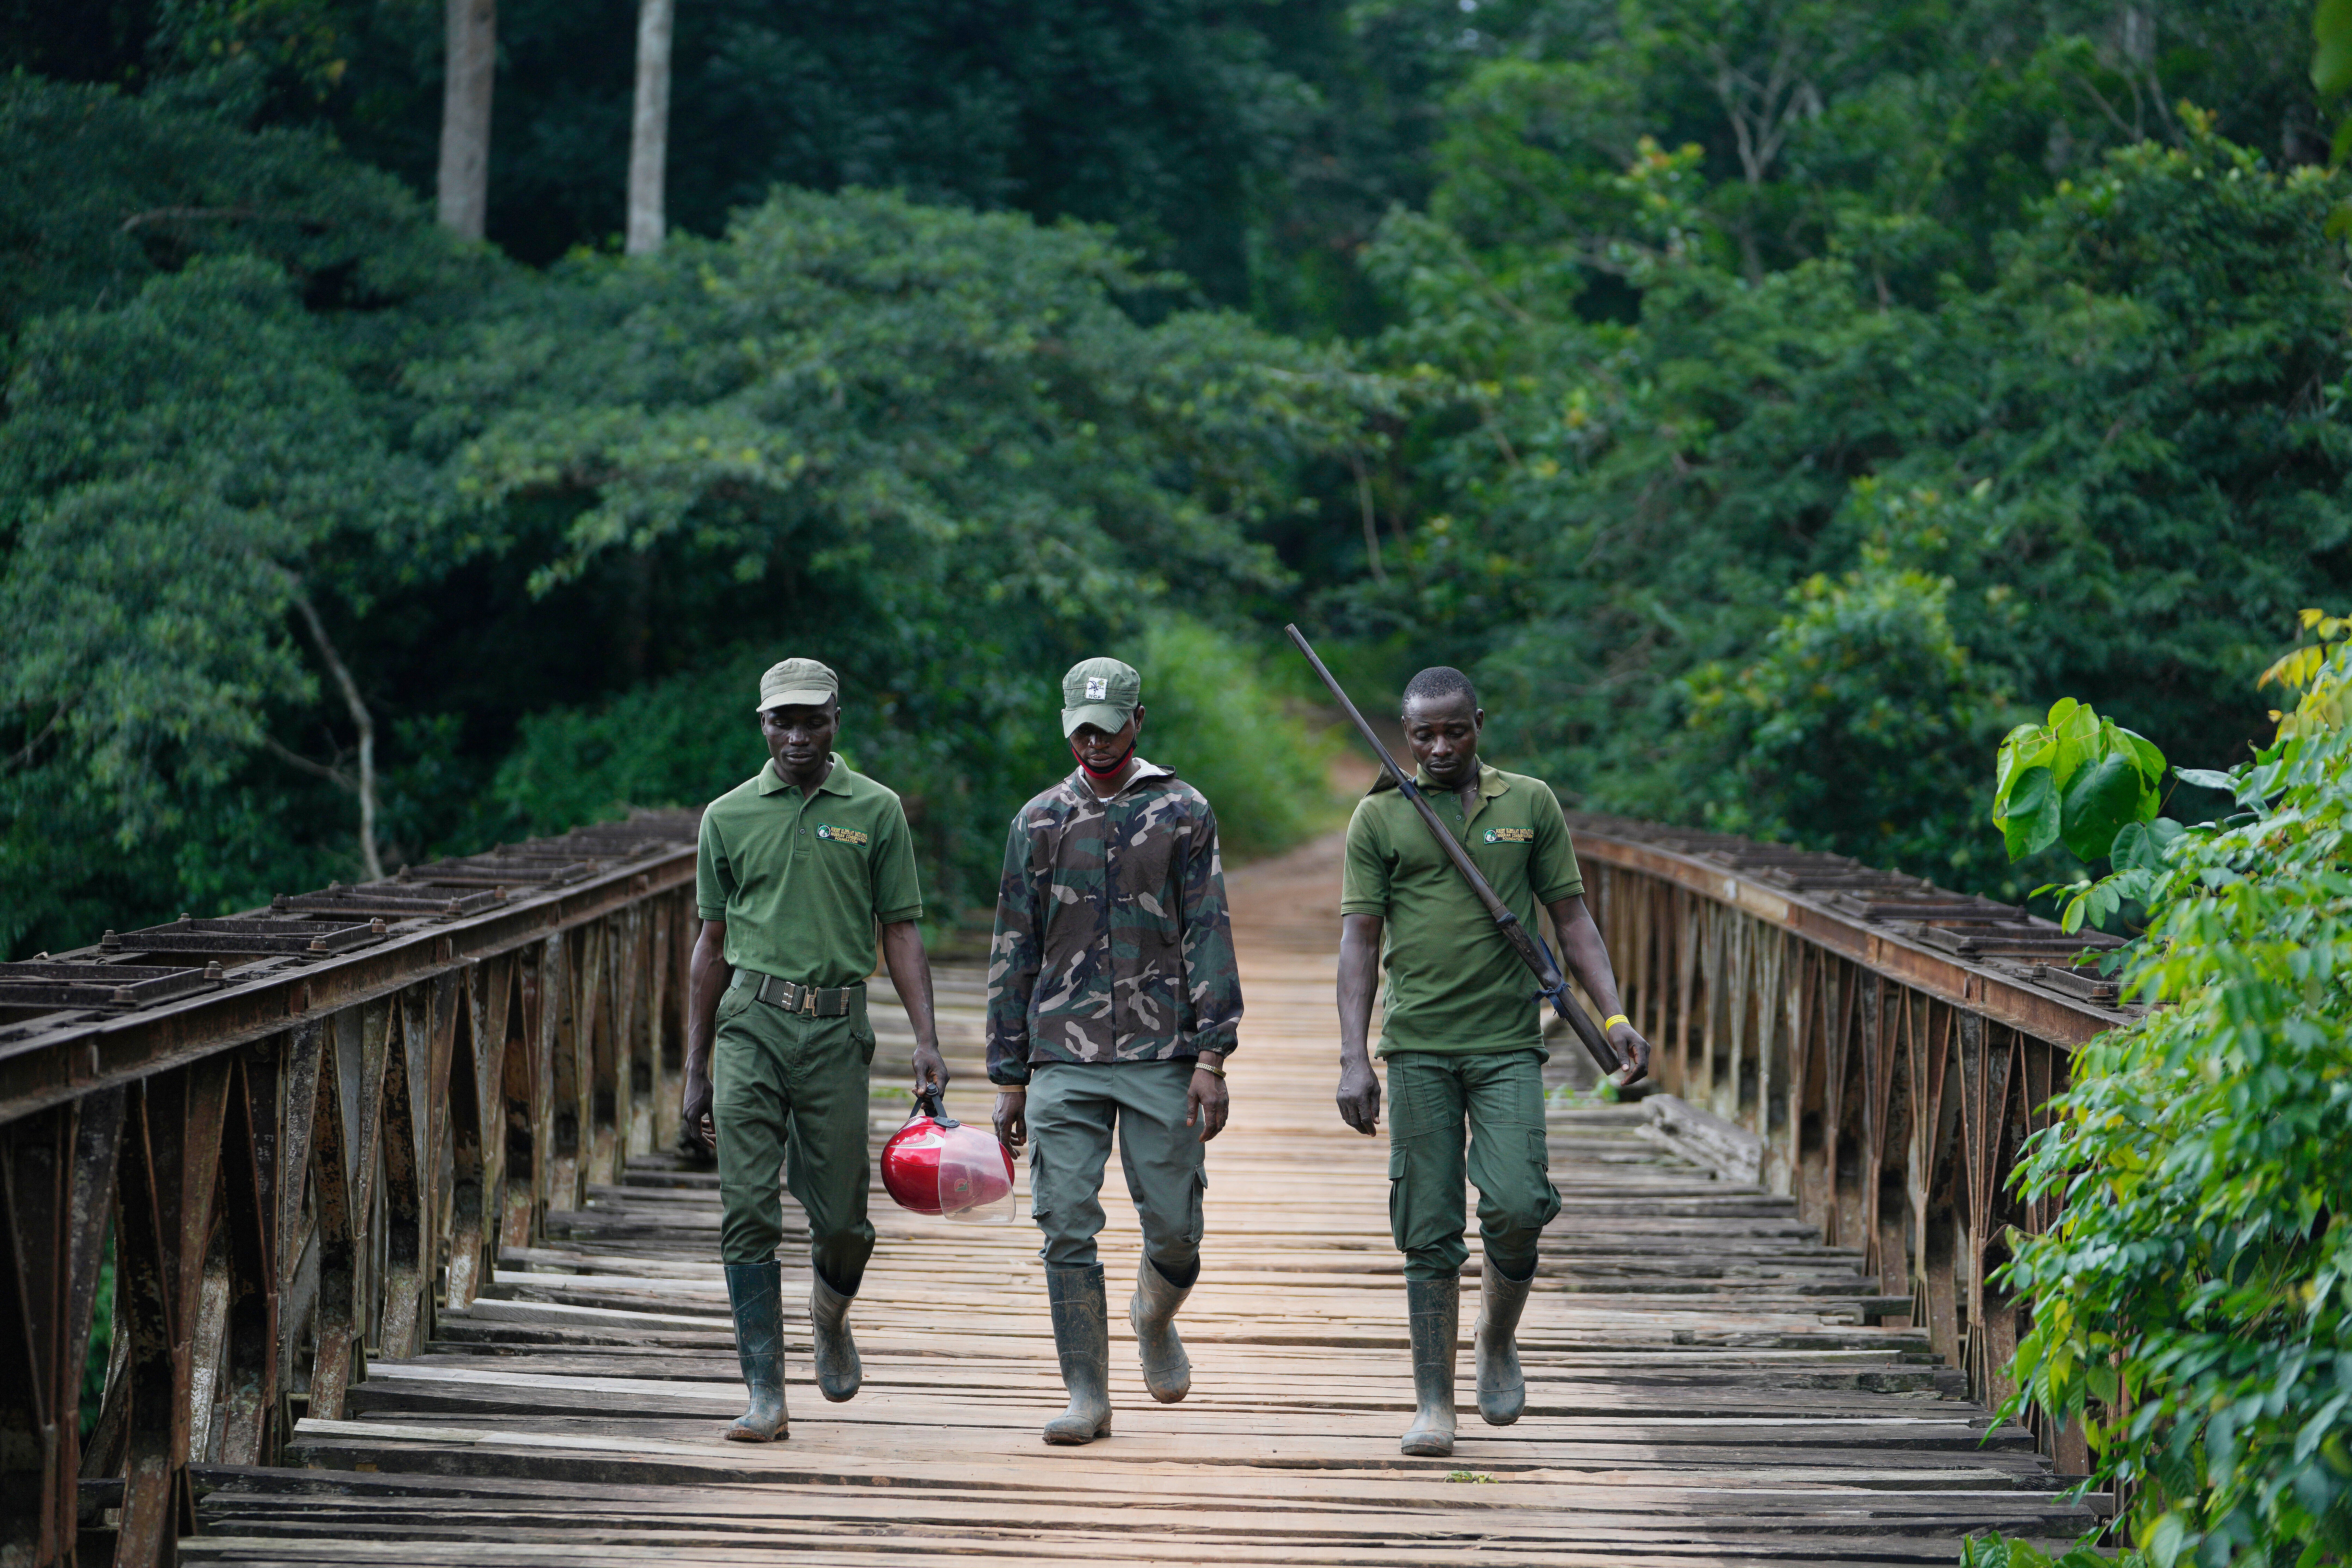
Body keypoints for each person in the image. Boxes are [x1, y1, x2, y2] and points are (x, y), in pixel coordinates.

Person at [1334, 665, 1651, 1458]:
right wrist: (1352, 1057)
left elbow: (1572, 919)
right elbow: (1358, 944)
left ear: (1479, 723)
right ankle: (1434, 1404)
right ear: (1405, 736)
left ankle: (1498, 1336)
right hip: (1415, 1048)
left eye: (1455, 730)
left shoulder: (1530, 803)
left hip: (1510, 1044)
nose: (1440, 747)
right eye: (1423, 735)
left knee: (1516, 1205)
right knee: (1427, 1225)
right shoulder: (1379, 816)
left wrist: (1613, 1014)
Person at [681, 657, 948, 1443]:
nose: (796, 737)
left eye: (812, 721)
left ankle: (830, 1316)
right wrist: (694, 1069)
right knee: (747, 1208)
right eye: (781, 722)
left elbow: (900, 929)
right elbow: (710, 943)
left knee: (843, 1224)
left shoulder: (876, 809)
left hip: (835, 1029)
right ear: (762, 725)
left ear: (837, 721)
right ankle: (765, 1393)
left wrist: (927, 1040)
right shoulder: (726, 816)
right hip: (750, 1026)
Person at [987, 656, 1241, 1447]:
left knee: (1174, 1230)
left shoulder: (1183, 812)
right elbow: (1013, 945)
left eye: (1109, 726)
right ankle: (1087, 1396)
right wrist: (1009, 1076)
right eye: (1080, 729)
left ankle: (1154, 1316)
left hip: (1162, 1050)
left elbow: (1209, 933)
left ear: (1139, 721)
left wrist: (1212, 1057)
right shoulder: (1037, 820)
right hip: (1062, 1053)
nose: (1094, 742)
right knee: (1064, 1220)